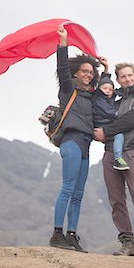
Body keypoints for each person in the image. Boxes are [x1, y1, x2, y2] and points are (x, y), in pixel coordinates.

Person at [93, 62, 134, 259]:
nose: (127, 79)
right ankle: (127, 243)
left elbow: (132, 119)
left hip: (133, 151)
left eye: (130, 75)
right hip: (110, 151)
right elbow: (96, 101)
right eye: (123, 76)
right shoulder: (115, 98)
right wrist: (103, 71)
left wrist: (105, 131)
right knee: (116, 200)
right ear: (118, 79)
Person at [49, 24, 100, 253]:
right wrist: (63, 43)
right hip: (71, 142)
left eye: (91, 72)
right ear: (76, 73)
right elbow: (62, 68)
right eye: (84, 71)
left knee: (78, 194)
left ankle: (71, 235)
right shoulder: (68, 89)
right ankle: (57, 234)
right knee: (68, 188)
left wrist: (106, 71)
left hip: (86, 146)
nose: (88, 74)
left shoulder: (91, 96)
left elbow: (106, 94)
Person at [92, 76, 130, 171]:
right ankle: (118, 158)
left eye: (110, 89)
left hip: (105, 123)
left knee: (118, 136)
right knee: (119, 135)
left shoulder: (108, 100)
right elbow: (109, 112)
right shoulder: (99, 99)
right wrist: (118, 114)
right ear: (99, 89)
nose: (108, 91)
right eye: (105, 88)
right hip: (101, 124)